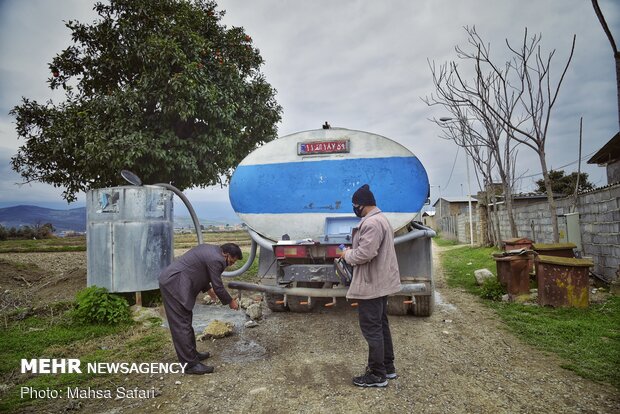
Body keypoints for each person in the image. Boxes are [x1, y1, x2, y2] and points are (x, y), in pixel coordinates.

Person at [342, 184, 401, 388]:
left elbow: (364, 254)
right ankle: (388, 367)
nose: (354, 208)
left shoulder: (372, 223)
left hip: (372, 284)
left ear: (362, 204)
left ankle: (377, 374)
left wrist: (346, 254)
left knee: (372, 327)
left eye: (354, 205)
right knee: (381, 324)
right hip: (379, 281)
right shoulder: (380, 219)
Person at [159, 243, 241, 375]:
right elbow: (218, 286)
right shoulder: (218, 260)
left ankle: (192, 354)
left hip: (177, 280)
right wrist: (231, 302)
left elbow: (199, 269)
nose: (230, 264)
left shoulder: (212, 250)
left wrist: (208, 290)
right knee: (181, 325)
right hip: (174, 284)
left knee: (186, 321)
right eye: (232, 261)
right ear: (226, 254)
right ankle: (190, 365)